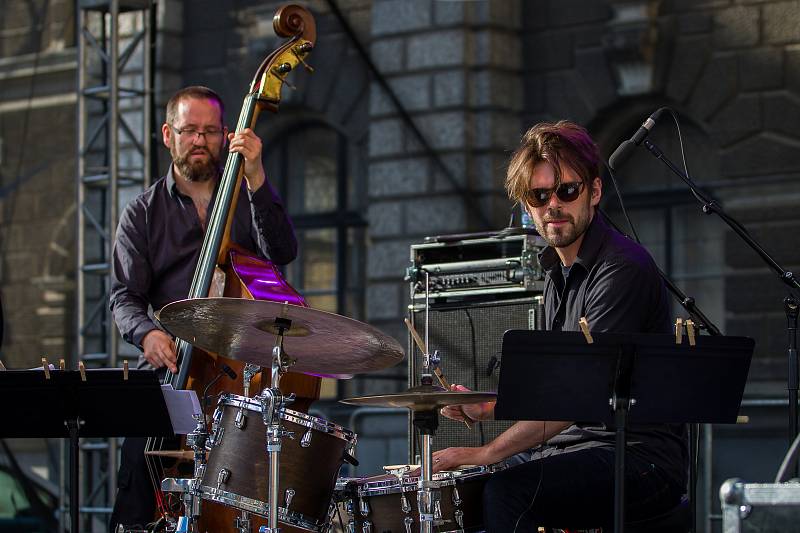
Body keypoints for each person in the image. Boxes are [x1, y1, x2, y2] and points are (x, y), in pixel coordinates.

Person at [433, 121, 687, 531]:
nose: (553, 204)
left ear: (595, 192)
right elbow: (557, 388)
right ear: (527, 205)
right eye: (539, 195)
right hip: (571, 450)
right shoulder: (556, 273)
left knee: (506, 491)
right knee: (466, 489)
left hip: (637, 458)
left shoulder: (621, 269)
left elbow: (579, 397)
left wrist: (488, 452)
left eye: (567, 190)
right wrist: (489, 408)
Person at [108, 85, 297, 530]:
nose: (199, 140)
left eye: (210, 131)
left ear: (226, 135)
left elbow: (283, 251)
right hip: (171, 368)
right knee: (139, 478)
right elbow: (124, 297)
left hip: (237, 377)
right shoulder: (143, 213)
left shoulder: (248, 196)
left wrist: (256, 176)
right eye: (189, 130)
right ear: (167, 135)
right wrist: (147, 333)